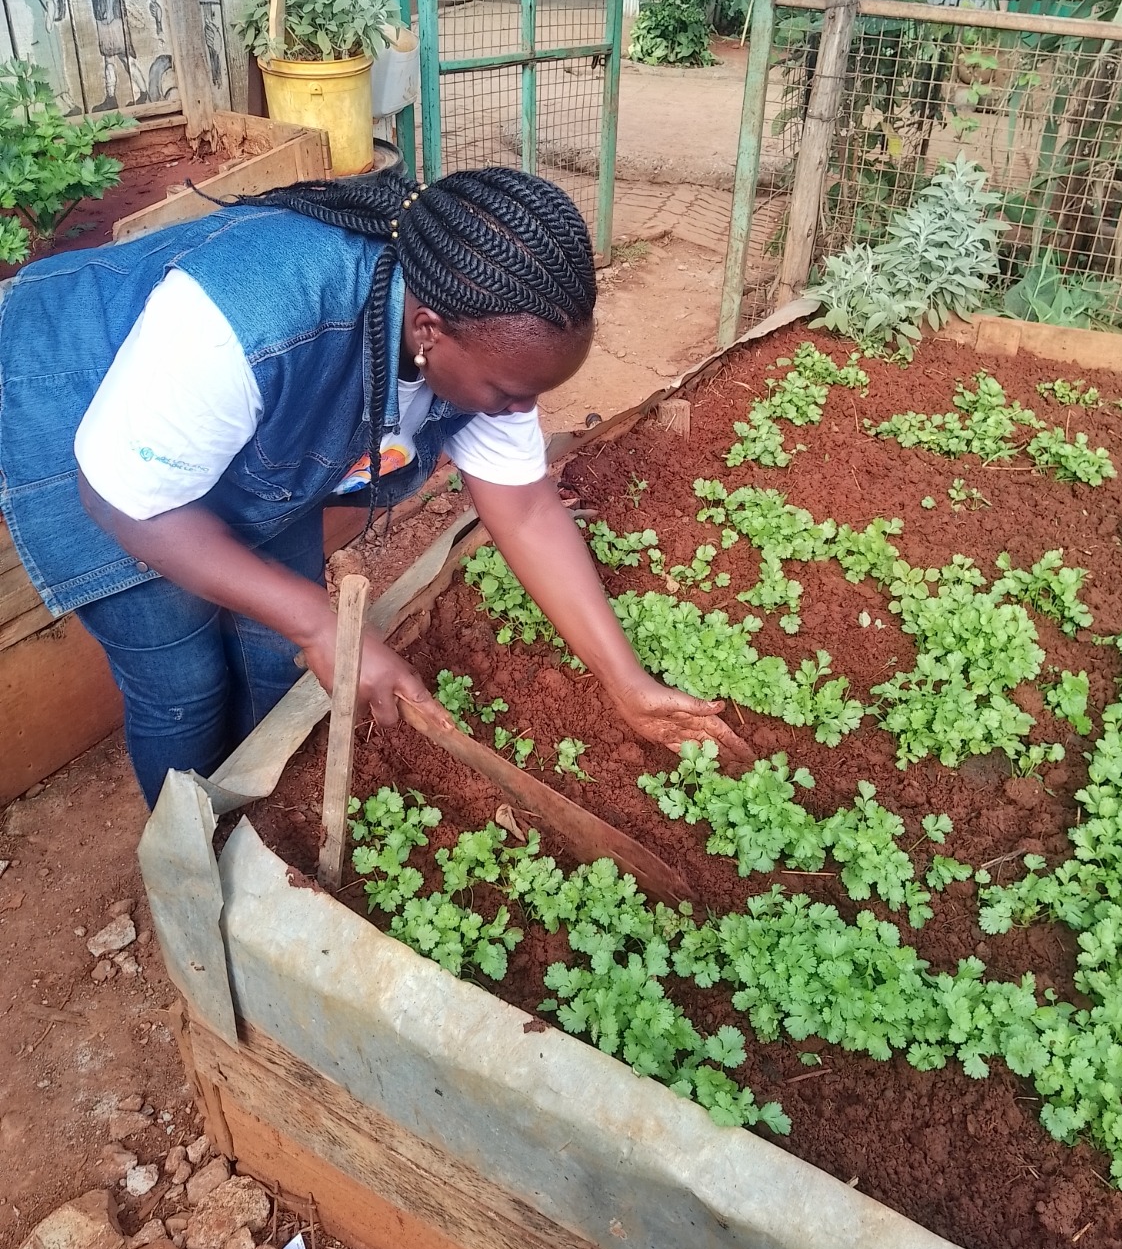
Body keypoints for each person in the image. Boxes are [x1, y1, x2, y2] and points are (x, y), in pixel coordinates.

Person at [0, 166, 744, 805]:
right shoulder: (249, 320)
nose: (525, 412)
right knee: (183, 678)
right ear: (429, 329)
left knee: (272, 651)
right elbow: (123, 502)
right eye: (510, 392)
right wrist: (320, 625)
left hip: (254, 441)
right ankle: (190, 843)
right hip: (87, 401)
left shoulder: (486, 339)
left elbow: (520, 506)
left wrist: (626, 679)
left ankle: (255, 810)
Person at [9, 0, 76, 112]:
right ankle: (62, 105)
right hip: (36, 31)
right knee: (45, 68)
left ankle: (65, 105)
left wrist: (47, 24)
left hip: (45, 32)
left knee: (51, 68)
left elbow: (50, 2)